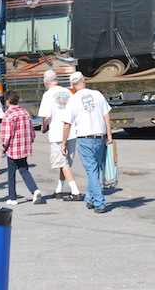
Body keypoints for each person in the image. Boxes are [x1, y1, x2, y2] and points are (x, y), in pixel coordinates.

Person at [60, 71, 112, 213]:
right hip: (99, 137)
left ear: (72, 85)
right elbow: (106, 115)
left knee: (91, 171)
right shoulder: (97, 94)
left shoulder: (73, 100)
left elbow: (67, 124)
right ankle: (90, 198)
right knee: (94, 170)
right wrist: (109, 134)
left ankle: (100, 202)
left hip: (84, 138)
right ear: (84, 81)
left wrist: (63, 143)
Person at [38, 70, 82, 201]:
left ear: (46, 82)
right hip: (71, 131)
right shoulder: (68, 92)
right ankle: (59, 189)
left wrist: (44, 126)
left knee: (63, 163)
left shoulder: (47, 95)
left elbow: (47, 116)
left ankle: (75, 191)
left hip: (58, 132)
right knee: (65, 162)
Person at [0, 90, 43, 206]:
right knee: (24, 170)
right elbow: (31, 130)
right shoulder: (25, 112)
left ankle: (12, 197)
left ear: (7, 101)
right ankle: (35, 190)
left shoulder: (8, 115)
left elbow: (7, 134)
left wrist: (3, 147)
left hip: (13, 149)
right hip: (24, 147)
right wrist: (31, 140)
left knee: (11, 174)